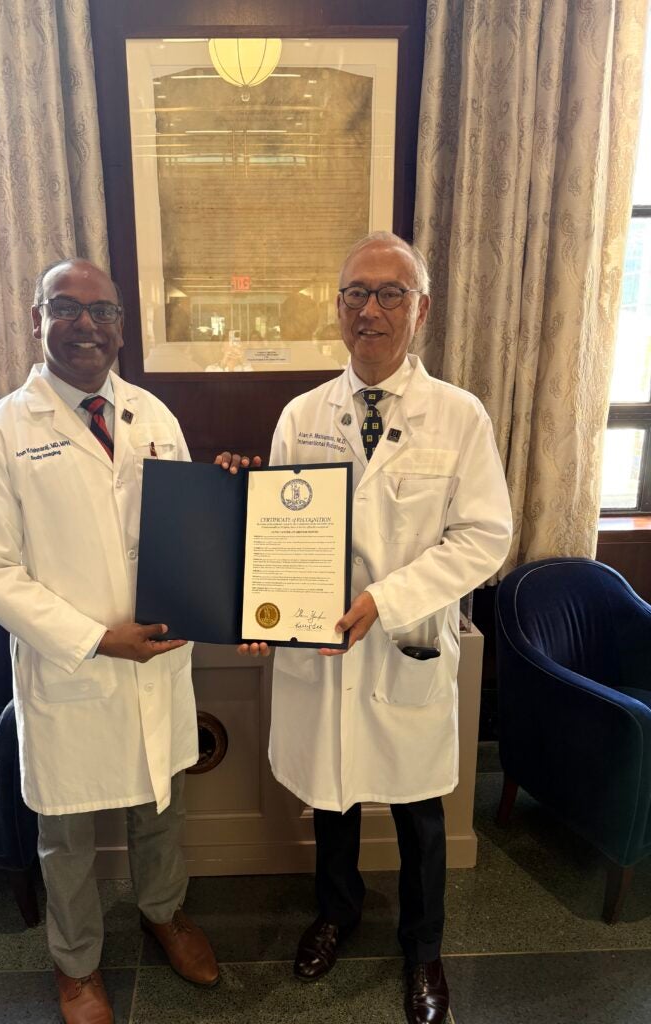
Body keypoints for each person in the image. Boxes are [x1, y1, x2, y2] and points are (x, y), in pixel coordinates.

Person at [0, 258, 257, 1024]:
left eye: (103, 311)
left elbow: (181, 530)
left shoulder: (152, 416)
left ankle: (164, 914)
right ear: (38, 319)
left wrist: (225, 493)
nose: (86, 324)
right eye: (67, 308)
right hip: (73, 671)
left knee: (162, 810)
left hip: (156, 663)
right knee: (66, 838)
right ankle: (77, 964)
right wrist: (95, 639)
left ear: (122, 325)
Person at [237, 231, 512, 1024]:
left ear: (420, 309)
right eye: (356, 292)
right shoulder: (301, 415)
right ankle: (337, 912)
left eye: (391, 293)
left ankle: (424, 952)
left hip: (404, 645)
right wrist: (264, 607)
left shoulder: (458, 416)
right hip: (323, 653)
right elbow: (281, 529)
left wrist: (386, 599)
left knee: (422, 813)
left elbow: (486, 538)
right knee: (335, 798)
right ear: (337, 306)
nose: (371, 309)